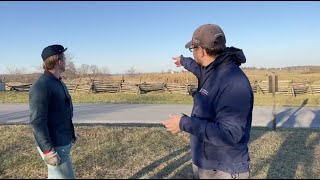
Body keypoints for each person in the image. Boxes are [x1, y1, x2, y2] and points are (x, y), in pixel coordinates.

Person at [163, 24, 253, 179]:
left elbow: (230, 134)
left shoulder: (234, 82)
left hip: (224, 169)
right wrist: (183, 61)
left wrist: (184, 123)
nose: (193, 53)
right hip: (205, 161)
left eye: (193, 49)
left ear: (202, 51)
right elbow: (198, 68)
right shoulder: (213, 70)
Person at [29, 44, 76, 179]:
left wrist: (70, 133)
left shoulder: (57, 82)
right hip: (55, 146)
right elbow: (37, 122)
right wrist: (48, 151)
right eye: (65, 58)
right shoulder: (41, 86)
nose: (66, 61)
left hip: (62, 141)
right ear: (59, 62)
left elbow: (62, 112)